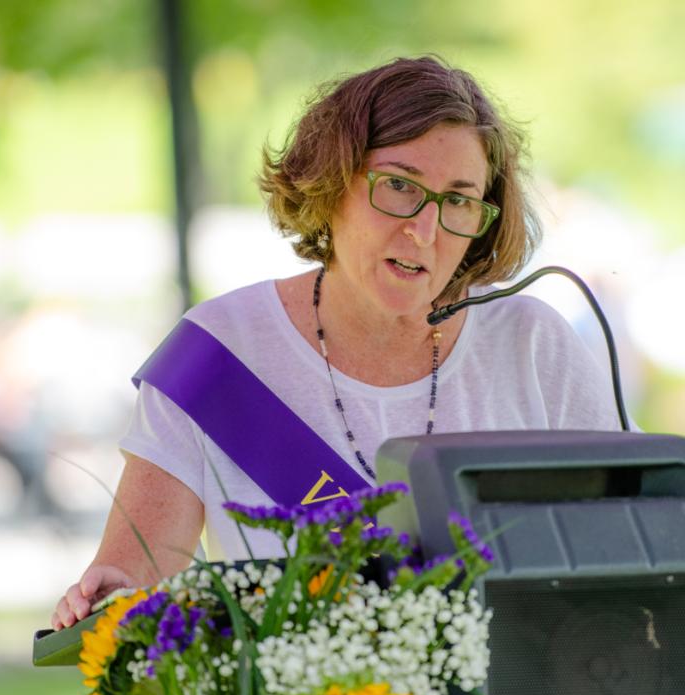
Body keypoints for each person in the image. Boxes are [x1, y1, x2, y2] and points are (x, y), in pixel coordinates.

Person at [51, 55, 621, 630]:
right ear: (331, 182)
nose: (424, 231)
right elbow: (136, 582)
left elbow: (621, 553)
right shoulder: (218, 353)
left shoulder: (533, 345)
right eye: (399, 185)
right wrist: (112, 596)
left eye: (458, 200)